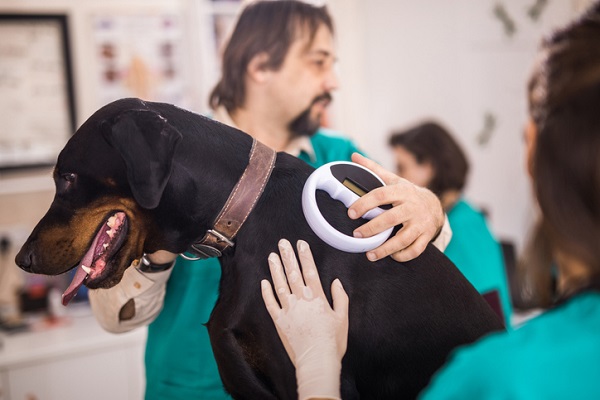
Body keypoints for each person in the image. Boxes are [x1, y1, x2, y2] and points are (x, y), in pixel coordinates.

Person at [88, 1, 448, 399]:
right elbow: (112, 316)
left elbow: (423, 242)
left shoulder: (336, 158)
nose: (334, 82)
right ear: (260, 67)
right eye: (319, 62)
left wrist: (428, 209)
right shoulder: (167, 158)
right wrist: (156, 245)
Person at [262, 2, 600, 398]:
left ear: (533, 153)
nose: (333, 82)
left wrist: (317, 365)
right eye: (319, 63)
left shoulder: (496, 378)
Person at [389, 121, 513, 327]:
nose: (396, 177)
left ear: (428, 168)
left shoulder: (463, 225)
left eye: (401, 168)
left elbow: (490, 313)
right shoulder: (464, 215)